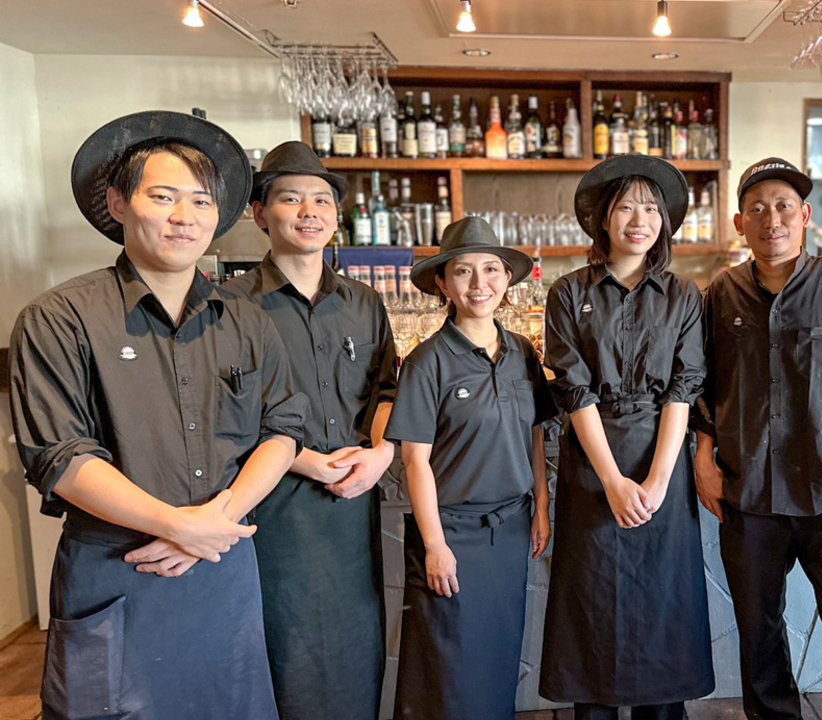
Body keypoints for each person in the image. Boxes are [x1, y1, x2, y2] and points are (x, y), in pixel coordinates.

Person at [8, 111, 307, 720]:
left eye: (200, 200)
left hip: (222, 563)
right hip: (117, 567)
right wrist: (175, 524)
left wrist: (215, 521)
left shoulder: (248, 320)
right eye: (163, 196)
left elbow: (284, 429)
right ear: (118, 203)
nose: (185, 216)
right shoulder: (59, 317)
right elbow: (59, 457)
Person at [693, 157, 822, 720]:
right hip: (748, 491)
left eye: (783, 207)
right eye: (756, 209)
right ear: (738, 222)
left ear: (804, 216)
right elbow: (703, 387)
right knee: (759, 636)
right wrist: (705, 459)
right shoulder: (719, 295)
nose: (770, 219)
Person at [221, 141, 397, 720]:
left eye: (321, 199)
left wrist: (380, 454)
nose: (308, 211)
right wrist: (304, 461)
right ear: (258, 213)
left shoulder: (365, 302)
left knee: (358, 641)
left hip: (353, 501)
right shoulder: (228, 306)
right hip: (271, 503)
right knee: (283, 642)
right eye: (291, 198)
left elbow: (388, 390)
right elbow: (224, 413)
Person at [540, 155, 714, 720]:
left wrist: (659, 479)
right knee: (593, 609)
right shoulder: (568, 292)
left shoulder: (685, 294)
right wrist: (614, 480)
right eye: (624, 207)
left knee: (664, 611)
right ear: (603, 220)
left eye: (650, 208)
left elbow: (684, 388)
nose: (638, 219)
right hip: (593, 468)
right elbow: (574, 389)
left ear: (663, 220)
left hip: (663, 461)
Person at [384, 217, 556, 720]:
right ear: (442, 283)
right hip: (453, 533)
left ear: (508, 279)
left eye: (491, 270)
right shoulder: (427, 361)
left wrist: (541, 506)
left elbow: (535, 433)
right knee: (446, 666)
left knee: (497, 659)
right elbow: (414, 460)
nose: (479, 284)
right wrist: (435, 546)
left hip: (512, 526)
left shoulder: (522, 351)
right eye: (463, 271)